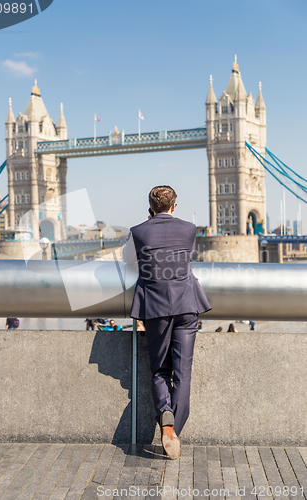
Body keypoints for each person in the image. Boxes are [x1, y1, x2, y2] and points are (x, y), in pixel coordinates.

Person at [124, 185, 211, 459]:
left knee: (160, 369)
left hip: (156, 308)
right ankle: (174, 430)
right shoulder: (189, 229)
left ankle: (166, 417)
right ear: (175, 206)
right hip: (187, 304)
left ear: (150, 209)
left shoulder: (138, 231)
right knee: (183, 372)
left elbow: (132, 262)